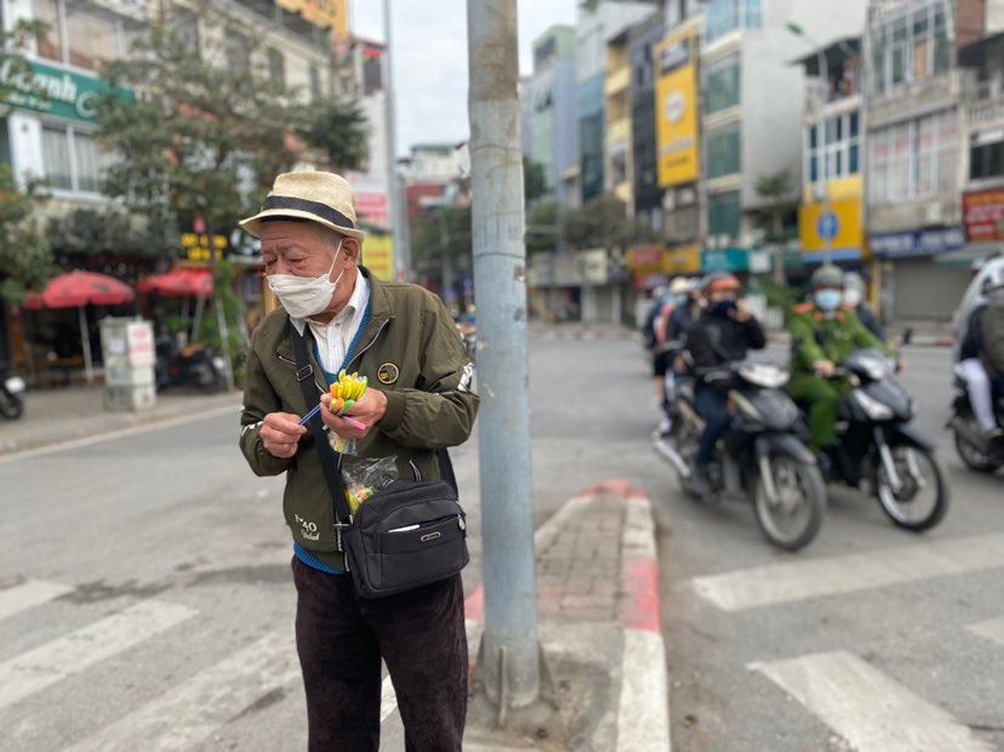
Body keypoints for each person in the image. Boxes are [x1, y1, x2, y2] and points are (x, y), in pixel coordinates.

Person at [238, 171, 479, 752]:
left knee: (435, 728)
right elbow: (251, 428)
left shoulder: (416, 313)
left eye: (294, 258)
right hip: (321, 568)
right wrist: (266, 442)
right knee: (336, 731)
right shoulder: (270, 336)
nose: (280, 276)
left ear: (347, 251)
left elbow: (458, 414)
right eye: (269, 261)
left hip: (413, 555)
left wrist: (386, 406)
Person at [788, 264, 893, 454]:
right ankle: (818, 448)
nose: (829, 293)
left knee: (864, 398)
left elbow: (867, 339)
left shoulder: (847, 316)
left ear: (841, 292)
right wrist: (817, 361)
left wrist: (891, 355)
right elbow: (805, 344)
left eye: (834, 289)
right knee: (827, 397)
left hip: (840, 376)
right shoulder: (802, 316)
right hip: (806, 377)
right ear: (814, 292)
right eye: (823, 289)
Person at [684, 273, 766, 498]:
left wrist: (749, 319)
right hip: (711, 388)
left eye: (731, 292)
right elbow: (705, 364)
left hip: (742, 385)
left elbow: (760, 343)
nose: (727, 297)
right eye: (721, 292)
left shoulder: (738, 321)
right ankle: (700, 468)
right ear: (708, 296)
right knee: (719, 418)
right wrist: (727, 392)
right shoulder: (699, 326)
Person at [957, 265, 1004, 441]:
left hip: (993, 360)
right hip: (975, 359)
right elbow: (991, 345)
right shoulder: (982, 311)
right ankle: (988, 426)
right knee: (979, 382)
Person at [843, 272, 884, 341]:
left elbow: (879, 336)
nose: (849, 295)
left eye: (854, 290)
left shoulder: (866, 313)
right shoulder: (834, 312)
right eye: (847, 290)